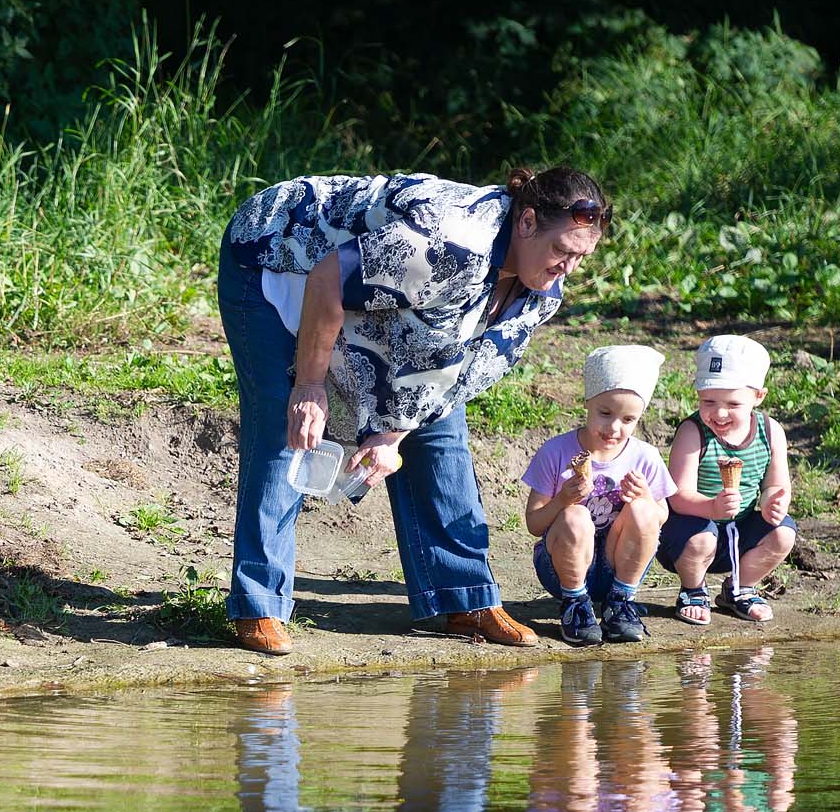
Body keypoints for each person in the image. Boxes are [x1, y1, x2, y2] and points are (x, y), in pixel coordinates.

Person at [217, 166, 611, 655]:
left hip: (378, 300)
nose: (568, 268)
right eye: (562, 251)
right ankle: (258, 604)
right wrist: (311, 385)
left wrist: (395, 433)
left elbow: (459, 375)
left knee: (441, 435)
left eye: (581, 258)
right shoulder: (450, 243)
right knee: (290, 425)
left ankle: (463, 597)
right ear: (527, 222)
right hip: (277, 256)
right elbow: (327, 280)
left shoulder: (541, 292)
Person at [520, 345, 676, 646]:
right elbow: (534, 524)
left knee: (644, 510)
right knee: (575, 515)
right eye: (605, 413)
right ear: (587, 402)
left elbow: (661, 517)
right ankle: (575, 604)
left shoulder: (645, 456)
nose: (614, 427)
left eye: (628, 420)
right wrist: (562, 501)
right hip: (561, 568)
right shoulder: (556, 452)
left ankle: (621, 602)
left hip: (622, 566)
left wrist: (645, 496)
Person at [656, 335, 797, 624]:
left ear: (758, 396)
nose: (719, 413)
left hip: (739, 531)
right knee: (702, 537)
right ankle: (693, 589)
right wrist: (712, 508)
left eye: (733, 403)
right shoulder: (693, 432)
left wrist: (772, 501)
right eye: (708, 401)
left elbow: (776, 484)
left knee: (784, 533)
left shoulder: (770, 431)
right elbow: (678, 496)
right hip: (689, 532)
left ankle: (740, 588)